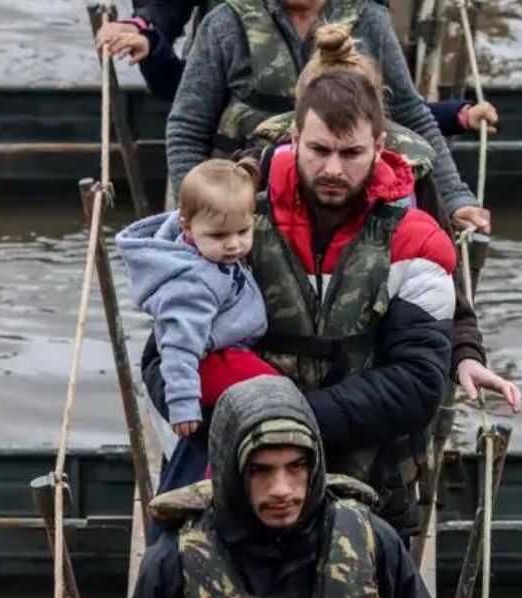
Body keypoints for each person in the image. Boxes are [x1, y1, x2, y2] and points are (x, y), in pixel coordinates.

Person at [144, 65, 462, 540]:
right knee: (172, 565)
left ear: (379, 147)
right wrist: (241, 431)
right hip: (231, 456)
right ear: (294, 138)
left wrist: (288, 426)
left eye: (351, 153)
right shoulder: (233, 226)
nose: (333, 168)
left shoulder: (416, 241)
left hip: (359, 468)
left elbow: (418, 384)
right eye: (318, 150)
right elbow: (160, 357)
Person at [105, 0, 495, 232]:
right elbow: (187, 126)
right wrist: (190, 213)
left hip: (344, 203)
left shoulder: (367, 19)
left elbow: (412, 115)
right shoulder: (226, 22)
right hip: (246, 208)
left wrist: (457, 199)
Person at [132, 375, 431, 598]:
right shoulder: (173, 563)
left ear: (314, 468)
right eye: (261, 471)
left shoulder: (372, 541)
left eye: (296, 467)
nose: (281, 489)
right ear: (232, 475)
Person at [96, 4, 498, 136]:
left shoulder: (365, 19)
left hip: (336, 180)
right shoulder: (227, 22)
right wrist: (149, 37)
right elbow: (184, 106)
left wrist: (454, 116)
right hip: (250, 176)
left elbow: (396, 111)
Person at [116, 159, 279, 438]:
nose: (234, 244)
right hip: (213, 361)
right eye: (218, 235)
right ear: (187, 228)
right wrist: (183, 404)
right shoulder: (192, 283)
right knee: (278, 401)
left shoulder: (212, 255)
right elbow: (179, 344)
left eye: (243, 232)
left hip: (232, 350)